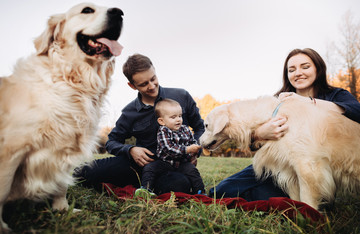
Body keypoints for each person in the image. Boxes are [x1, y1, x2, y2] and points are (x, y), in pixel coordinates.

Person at [209, 48, 360, 201]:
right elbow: (253, 145)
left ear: (318, 69)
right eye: (291, 70)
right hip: (277, 166)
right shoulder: (277, 101)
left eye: (305, 67)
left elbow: (356, 111)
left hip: (316, 166)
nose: (298, 73)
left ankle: (310, 199)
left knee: (265, 194)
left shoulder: (335, 95)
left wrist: (308, 102)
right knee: (221, 191)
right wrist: (260, 133)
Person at [73, 54, 205, 195]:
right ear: (132, 86)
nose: (152, 86)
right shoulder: (130, 112)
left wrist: (194, 151)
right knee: (86, 172)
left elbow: (200, 128)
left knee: (178, 185)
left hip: (174, 166)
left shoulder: (182, 96)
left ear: (154, 70)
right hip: (140, 164)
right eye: (143, 84)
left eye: (153, 79)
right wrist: (130, 150)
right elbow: (112, 142)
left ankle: (143, 184)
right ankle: (139, 182)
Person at [135, 98, 205, 197]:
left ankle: (200, 192)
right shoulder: (163, 131)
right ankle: (146, 189)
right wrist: (187, 149)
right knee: (150, 168)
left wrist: (195, 152)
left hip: (182, 162)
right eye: (173, 117)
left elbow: (192, 142)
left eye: (180, 116)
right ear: (162, 121)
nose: (178, 119)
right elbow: (168, 148)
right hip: (165, 162)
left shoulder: (186, 129)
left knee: (192, 171)